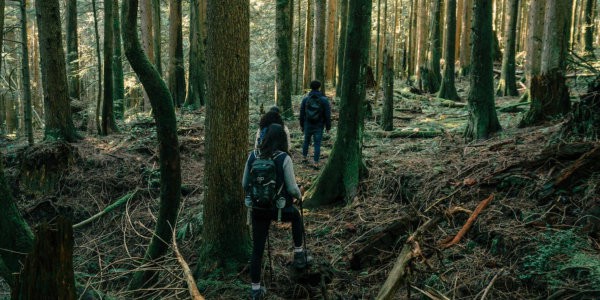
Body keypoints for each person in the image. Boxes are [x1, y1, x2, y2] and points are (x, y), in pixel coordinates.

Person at [242, 124, 309, 300]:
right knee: (296, 216)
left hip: (258, 210)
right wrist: (299, 195)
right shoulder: (284, 158)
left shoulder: (252, 156)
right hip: (279, 209)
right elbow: (293, 189)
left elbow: (244, 184)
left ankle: (255, 290)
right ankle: (299, 254)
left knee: (257, 249)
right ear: (282, 139)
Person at [299, 80, 331, 168]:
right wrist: (328, 127)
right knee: (317, 144)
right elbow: (327, 114)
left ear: (311, 87)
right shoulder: (324, 100)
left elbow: (302, 113)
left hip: (307, 124)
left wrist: (302, 125)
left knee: (306, 141)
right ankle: (316, 162)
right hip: (319, 125)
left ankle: (304, 157)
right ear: (319, 87)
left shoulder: (305, 99)